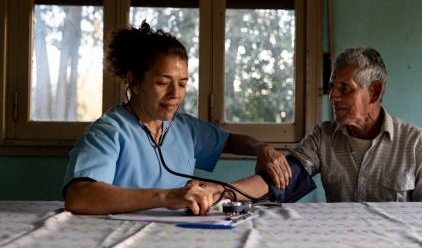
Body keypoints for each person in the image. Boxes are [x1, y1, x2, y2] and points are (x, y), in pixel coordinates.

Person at [63, 21, 291, 215]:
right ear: (133, 81)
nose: (175, 94)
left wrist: (262, 148)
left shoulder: (184, 128)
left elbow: (230, 141)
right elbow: (79, 196)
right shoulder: (108, 132)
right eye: (163, 83)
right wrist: (168, 196)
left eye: (182, 83)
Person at [206, 47, 422, 203]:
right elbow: (280, 178)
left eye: (345, 89)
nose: (332, 97)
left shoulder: (418, 144)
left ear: (374, 92)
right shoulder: (324, 137)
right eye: (332, 87)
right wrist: (219, 192)